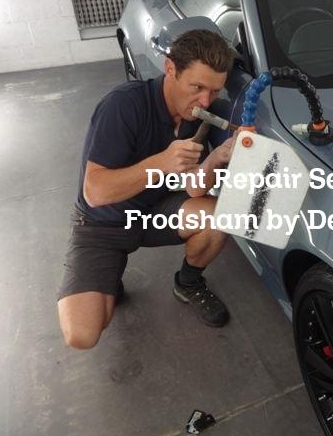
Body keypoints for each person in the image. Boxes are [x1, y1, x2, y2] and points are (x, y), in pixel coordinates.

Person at [58, 29, 237, 350]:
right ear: (170, 69)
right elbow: (95, 192)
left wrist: (216, 158)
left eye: (214, 90)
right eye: (197, 87)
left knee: (218, 216)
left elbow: (195, 189)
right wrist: (162, 162)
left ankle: (188, 283)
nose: (205, 101)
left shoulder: (198, 116)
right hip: (103, 223)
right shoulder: (123, 105)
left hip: (155, 211)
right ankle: (108, 277)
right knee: (82, 335)